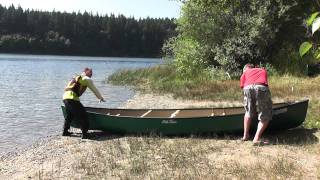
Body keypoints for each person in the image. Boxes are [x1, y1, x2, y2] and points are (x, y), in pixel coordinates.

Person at [62, 67, 105, 139]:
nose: (91, 74)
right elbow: (94, 89)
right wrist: (100, 98)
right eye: (90, 72)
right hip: (72, 98)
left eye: (92, 73)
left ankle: (65, 132)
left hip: (65, 97)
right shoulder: (87, 79)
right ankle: (85, 134)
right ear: (86, 72)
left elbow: (67, 87)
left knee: (70, 115)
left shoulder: (76, 77)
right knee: (83, 115)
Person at [240, 64, 272, 145]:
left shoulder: (245, 73)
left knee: (248, 112)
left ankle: (245, 136)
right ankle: (256, 138)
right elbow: (264, 82)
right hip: (261, 87)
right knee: (265, 114)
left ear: (245, 69)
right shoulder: (262, 70)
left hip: (247, 88)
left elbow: (242, 86)